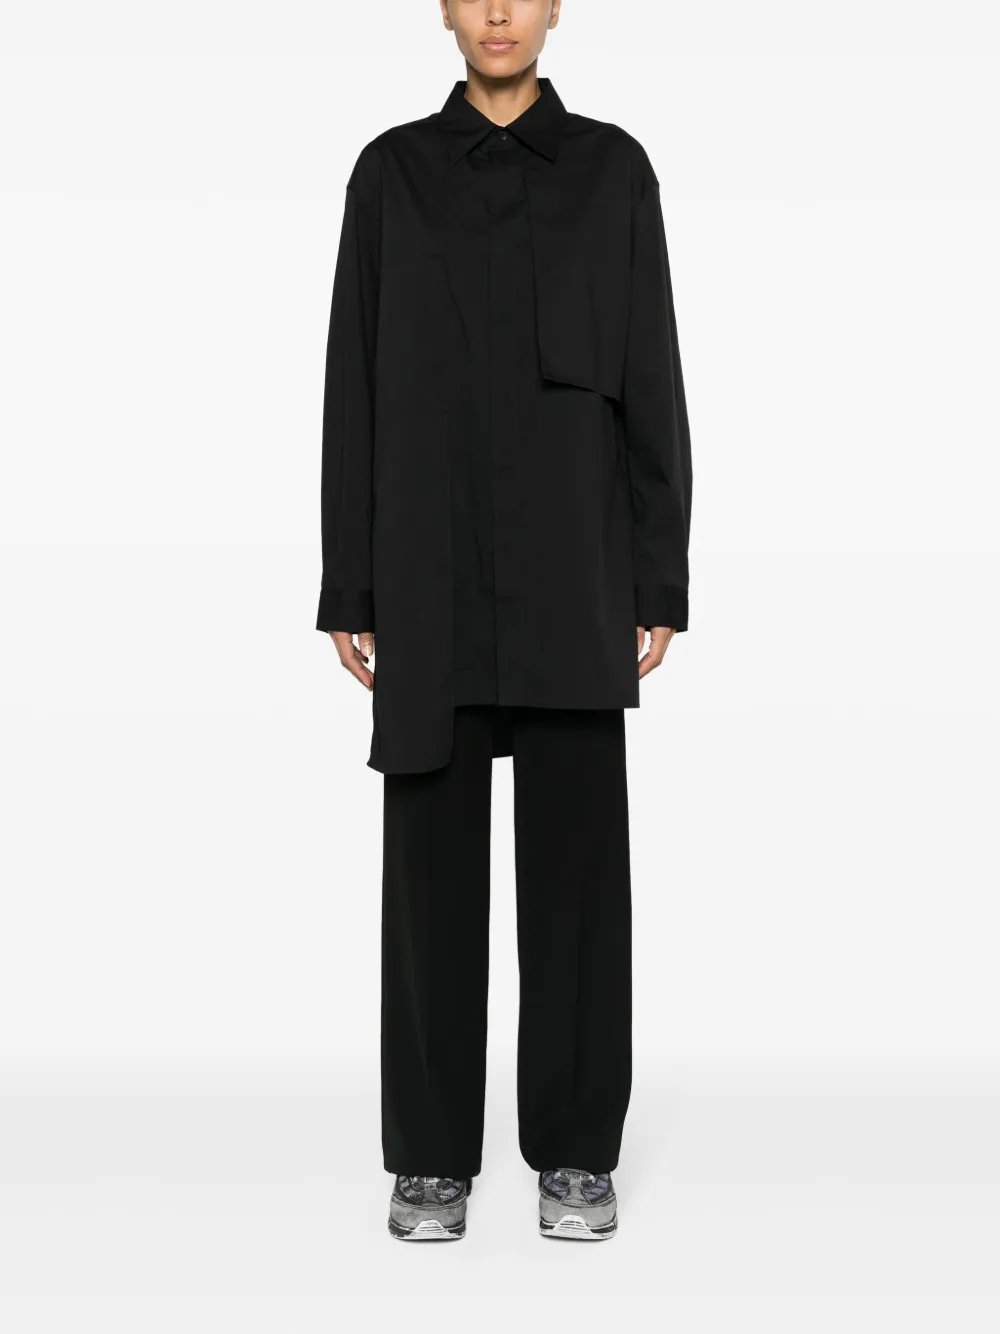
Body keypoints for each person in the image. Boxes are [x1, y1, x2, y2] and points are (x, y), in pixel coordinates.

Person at [316, 0, 692, 1243]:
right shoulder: (390, 175)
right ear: (441, 5)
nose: (496, 11)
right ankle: (429, 1157)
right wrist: (350, 581)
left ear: (555, 6)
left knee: (578, 875)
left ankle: (576, 1150)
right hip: (427, 570)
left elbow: (651, 375)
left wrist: (656, 576)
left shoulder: (613, 171)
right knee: (427, 875)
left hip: (573, 567)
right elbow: (354, 382)